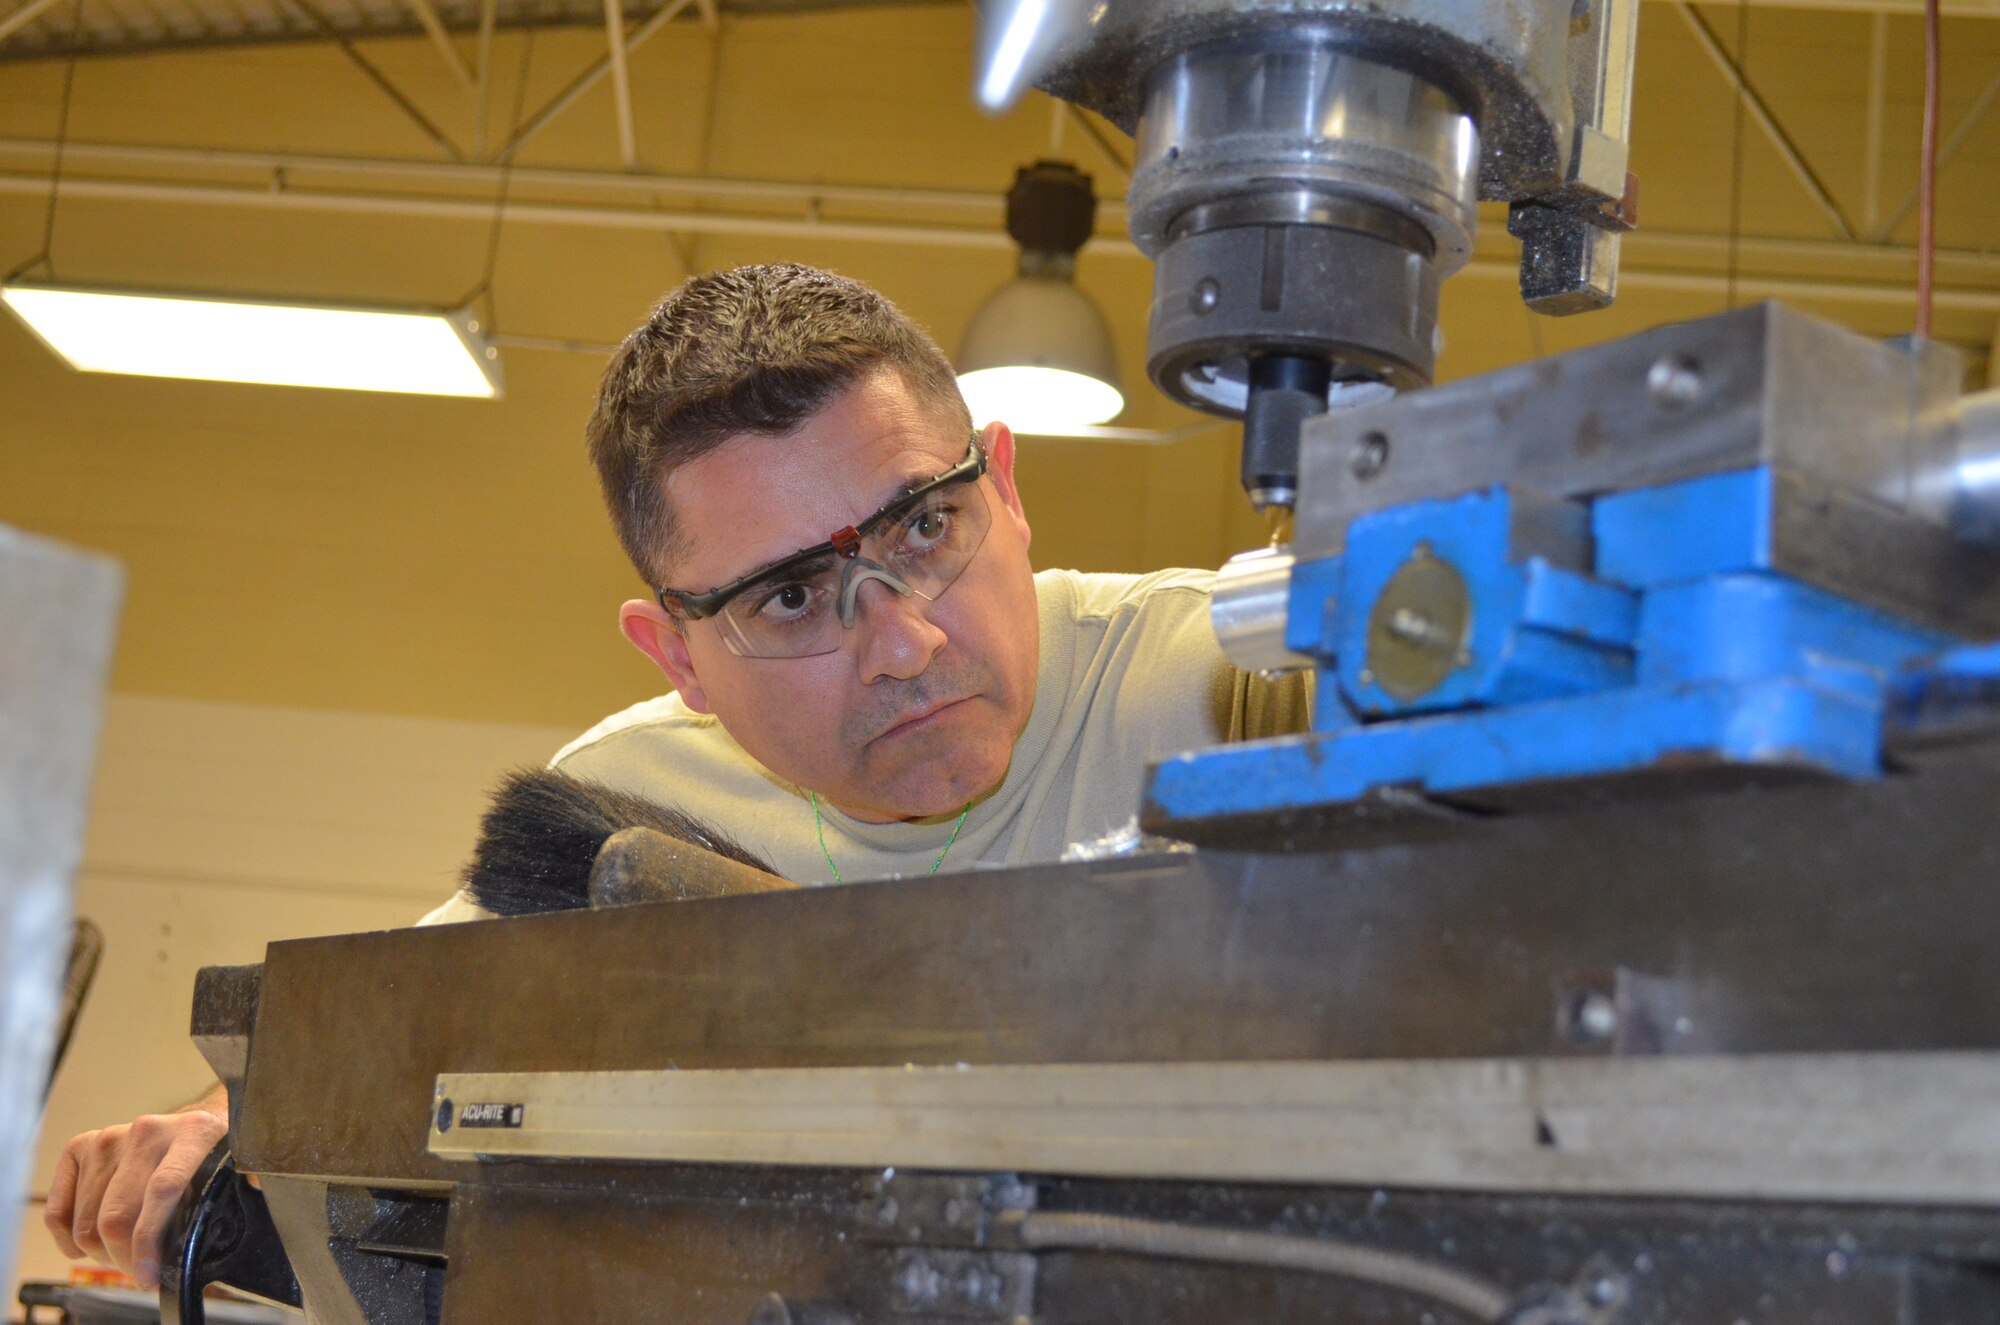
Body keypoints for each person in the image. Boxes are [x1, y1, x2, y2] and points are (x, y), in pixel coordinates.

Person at [43, 262, 1310, 1286]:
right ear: (681, 656)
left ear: (1009, 489)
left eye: (927, 525)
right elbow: (388, 1039)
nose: (904, 642)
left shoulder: (1247, 685)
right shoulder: (633, 808)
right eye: (792, 595)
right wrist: (212, 1128)